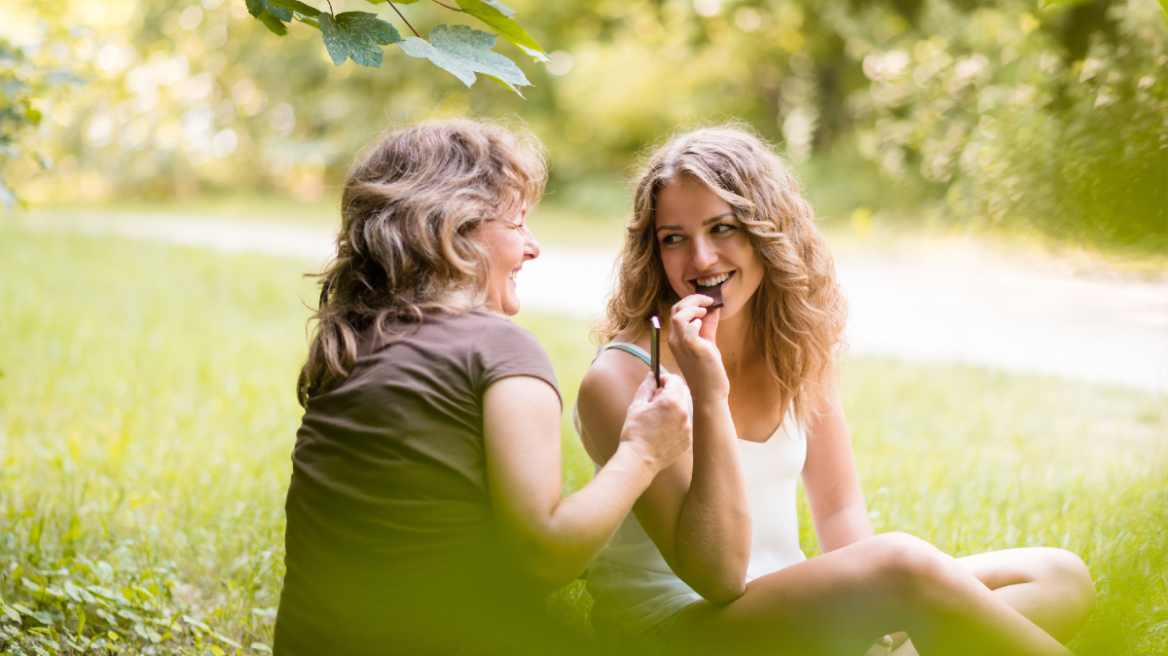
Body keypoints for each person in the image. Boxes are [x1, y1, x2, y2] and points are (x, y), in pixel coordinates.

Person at [574, 125, 1096, 656]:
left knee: (1057, 575)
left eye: (722, 227)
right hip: (677, 629)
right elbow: (719, 578)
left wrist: (882, 623)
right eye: (674, 238)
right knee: (901, 565)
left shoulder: (793, 344)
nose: (702, 258)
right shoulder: (621, 380)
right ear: (653, 250)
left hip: (783, 605)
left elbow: (840, 508)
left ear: (766, 230)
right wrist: (708, 394)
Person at [272, 119, 692, 656]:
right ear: (455, 229)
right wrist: (642, 452)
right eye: (518, 224)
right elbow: (545, 556)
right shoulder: (499, 350)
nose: (534, 246)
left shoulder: (351, 346)